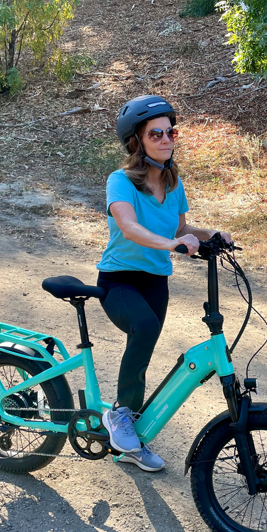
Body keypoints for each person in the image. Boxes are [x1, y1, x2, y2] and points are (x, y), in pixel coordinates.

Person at [97, 95, 230, 472]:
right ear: (137, 142)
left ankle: (129, 442)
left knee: (143, 351)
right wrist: (172, 244)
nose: (167, 139)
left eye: (170, 131)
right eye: (156, 133)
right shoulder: (120, 181)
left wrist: (213, 233)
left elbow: (182, 228)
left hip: (156, 282)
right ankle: (119, 415)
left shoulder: (173, 184)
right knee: (146, 327)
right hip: (118, 280)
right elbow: (129, 226)